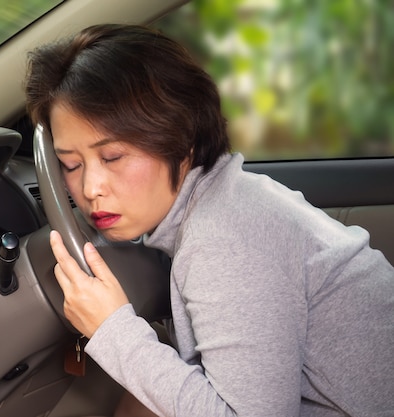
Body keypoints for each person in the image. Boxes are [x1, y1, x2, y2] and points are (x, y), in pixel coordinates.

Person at [24, 24, 394, 416]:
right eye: (70, 164)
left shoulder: (224, 239)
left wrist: (111, 329)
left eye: (113, 157)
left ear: (182, 138)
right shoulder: (228, 199)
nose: (91, 187)